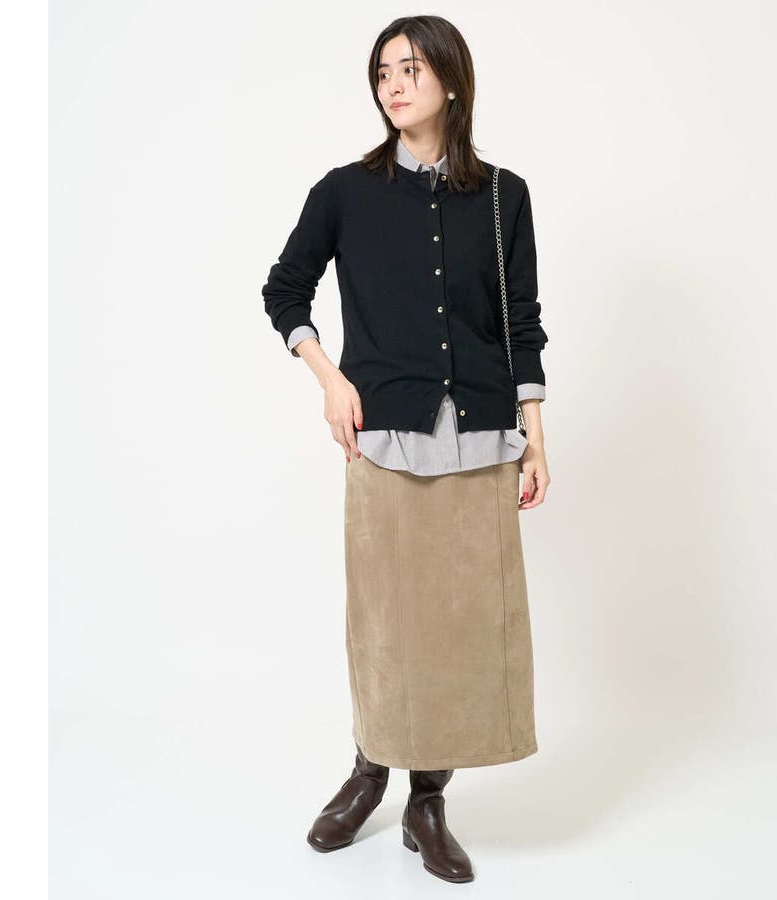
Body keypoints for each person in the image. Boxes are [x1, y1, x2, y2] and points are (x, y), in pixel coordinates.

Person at [260, 15, 550, 884]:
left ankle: (428, 802)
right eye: (384, 71)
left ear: (451, 82)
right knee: (385, 622)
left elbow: (522, 323)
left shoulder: (503, 196)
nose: (394, 83)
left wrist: (536, 438)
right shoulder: (345, 192)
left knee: (461, 626)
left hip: (483, 438)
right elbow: (284, 288)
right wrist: (329, 379)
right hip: (384, 436)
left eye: (412, 69)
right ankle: (369, 769)